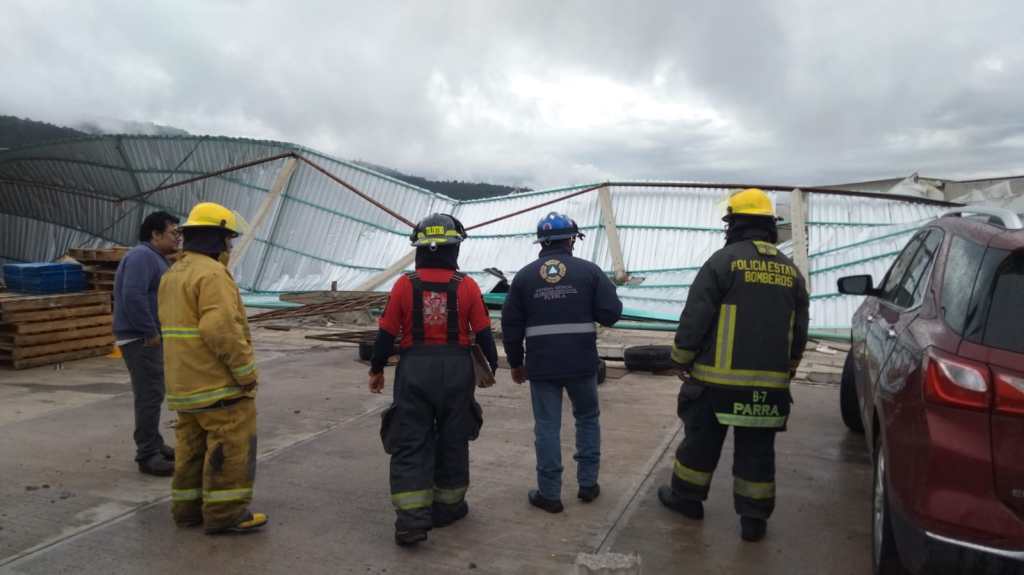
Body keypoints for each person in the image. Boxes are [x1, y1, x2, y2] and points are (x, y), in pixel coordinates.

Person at [657, 188, 809, 542]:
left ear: (734, 224)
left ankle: (687, 500)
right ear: (770, 226)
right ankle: (753, 520)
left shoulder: (721, 263)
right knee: (758, 453)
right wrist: (789, 368)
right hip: (769, 386)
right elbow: (799, 328)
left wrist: (680, 358)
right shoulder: (790, 271)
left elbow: (696, 317)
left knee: (700, 444)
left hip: (715, 384)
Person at [369, 213, 499, 547]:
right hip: (457, 371)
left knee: (411, 439)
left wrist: (376, 369)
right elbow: (484, 333)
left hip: (415, 370)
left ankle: (411, 520)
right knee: (454, 438)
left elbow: (386, 334)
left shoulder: (404, 285)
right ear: (454, 248)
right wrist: (492, 367)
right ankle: (448, 507)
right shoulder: (467, 286)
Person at [501, 212, 623, 514]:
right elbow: (611, 313)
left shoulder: (524, 277)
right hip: (581, 362)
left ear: (541, 242)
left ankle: (550, 493)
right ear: (571, 239)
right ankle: (588, 484)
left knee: (547, 426)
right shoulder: (589, 272)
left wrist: (516, 363)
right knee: (587, 419)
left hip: (542, 365)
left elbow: (511, 326)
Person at [158, 201, 267, 534]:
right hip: (216, 385)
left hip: (184, 385)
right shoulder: (212, 274)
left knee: (190, 451)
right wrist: (246, 374)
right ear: (217, 238)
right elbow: (220, 329)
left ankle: (187, 511)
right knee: (230, 447)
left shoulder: (173, 273)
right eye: (228, 239)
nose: (229, 247)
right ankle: (225, 514)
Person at [113, 211, 180, 477]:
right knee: (149, 395)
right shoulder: (142, 256)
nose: (178, 238)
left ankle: (154, 442)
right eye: (173, 232)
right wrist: (149, 331)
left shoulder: (155, 257)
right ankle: (147, 455)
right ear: (155, 234)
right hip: (140, 338)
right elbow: (133, 295)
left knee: (153, 392)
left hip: (146, 336)